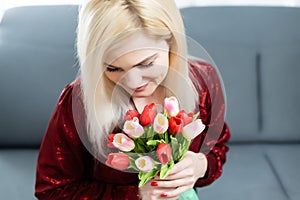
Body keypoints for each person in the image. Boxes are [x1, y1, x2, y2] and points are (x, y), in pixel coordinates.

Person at [35, 0, 230, 199]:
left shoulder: (203, 82)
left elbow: (217, 147)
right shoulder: (78, 102)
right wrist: (134, 195)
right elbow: (51, 191)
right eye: (113, 68)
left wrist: (201, 165)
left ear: (172, 44)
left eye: (146, 64)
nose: (133, 82)